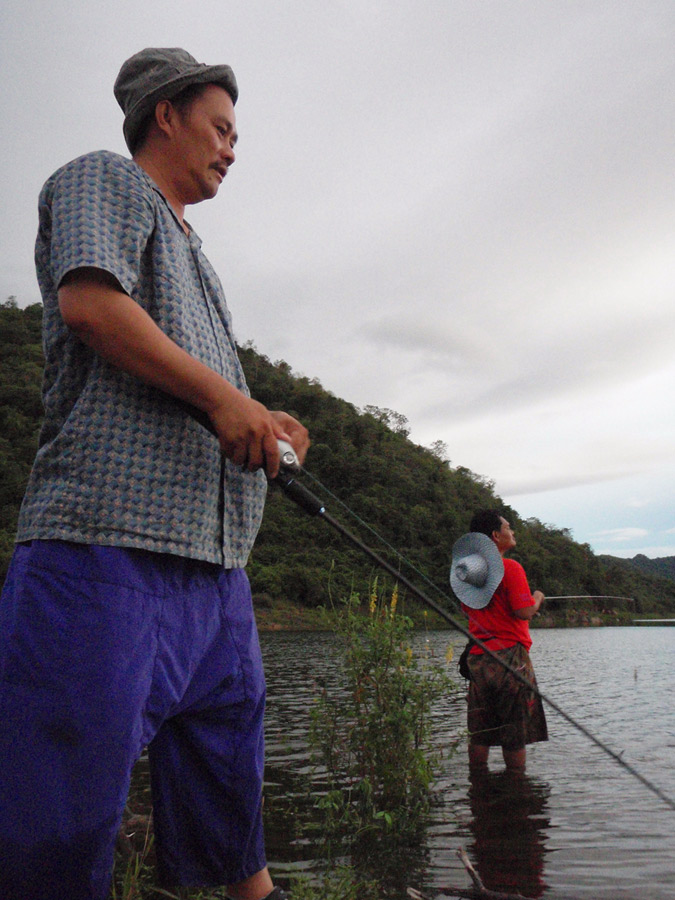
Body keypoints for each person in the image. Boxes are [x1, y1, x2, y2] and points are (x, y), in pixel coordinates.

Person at [0, 48, 309, 900]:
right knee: (58, 821)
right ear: (164, 114)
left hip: (216, 570)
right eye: (220, 128)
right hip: (105, 551)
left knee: (227, 791)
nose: (232, 148)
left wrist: (260, 415)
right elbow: (92, 305)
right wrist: (224, 403)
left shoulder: (197, 256)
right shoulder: (103, 178)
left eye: (237, 136)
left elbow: (205, 387)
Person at [453, 510, 548, 772]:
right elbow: (523, 611)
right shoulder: (511, 568)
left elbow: (469, 609)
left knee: (480, 732)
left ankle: (479, 789)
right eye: (508, 527)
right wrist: (537, 598)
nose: (512, 531)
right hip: (510, 659)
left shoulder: (468, 574)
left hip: (478, 659)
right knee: (514, 735)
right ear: (496, 536)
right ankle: (516, 793)